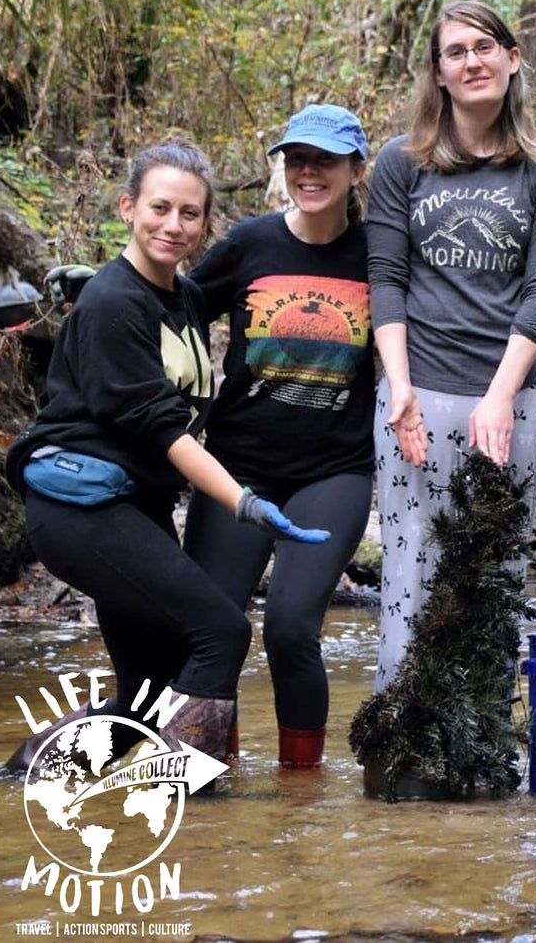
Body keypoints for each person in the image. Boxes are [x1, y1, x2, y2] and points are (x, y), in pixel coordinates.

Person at [4, 140, 328, 771]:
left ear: (206, 224)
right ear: (128, 208)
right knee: (222, 633)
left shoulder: (180, 295)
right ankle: (187, 808)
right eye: (159, 208)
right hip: (82, 509)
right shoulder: (112, 301)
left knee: (147, 697)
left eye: (189, 214)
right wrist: (246, 502)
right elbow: (166, 432)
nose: (172, 225)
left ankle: (16, 778)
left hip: (134, 506)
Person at [366, 0, 536, 691]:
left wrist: (500, 395)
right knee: (411, 571)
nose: (472, 61)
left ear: (512, 60)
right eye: (455, 52)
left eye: (484, 46)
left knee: (493, 573)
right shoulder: (402, 164)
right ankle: (401, 749)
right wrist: (399, 386)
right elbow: (387, 280)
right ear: (439, 73)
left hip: (511, 402)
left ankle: (481, 753)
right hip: (415, 397)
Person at [182, 104, 375, 769]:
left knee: (291, 628)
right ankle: (208, 769)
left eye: (324, 160)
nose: (309, 172)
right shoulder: (250, 244)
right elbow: (165, 304)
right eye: (297, 159)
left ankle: (299, 796)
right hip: (237, 467)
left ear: (357, 169)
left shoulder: (380, 255)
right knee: (212, 626)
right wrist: (97, 294)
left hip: (335, 472)